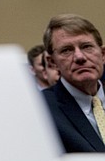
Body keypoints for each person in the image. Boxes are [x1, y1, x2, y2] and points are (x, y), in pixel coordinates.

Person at [41, 14, 105, 153]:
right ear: (52, 62)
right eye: (66, 50)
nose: (79, 57)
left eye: (87, 47)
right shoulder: (42, 109)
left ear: (103, 54)